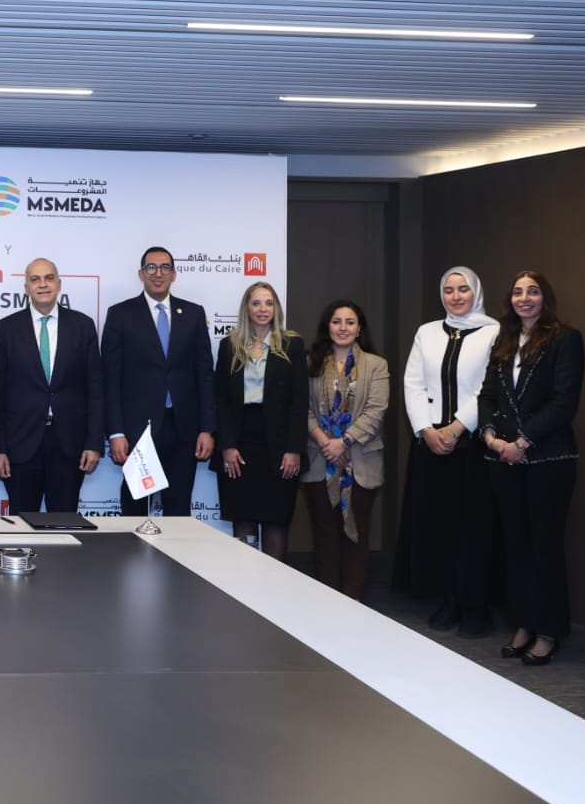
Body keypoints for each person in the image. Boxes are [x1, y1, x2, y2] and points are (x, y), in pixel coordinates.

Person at [480, 271, 584, 667]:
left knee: (544, 547)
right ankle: (523, 623)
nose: (524, 298)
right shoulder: (504, 341)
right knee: (516, 547)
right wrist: (492, 439)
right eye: (518, 292)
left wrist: (522, 443)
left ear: (545, 298)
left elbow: (563, 402)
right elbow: (487, 396)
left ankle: (548, 631)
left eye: (533, 292)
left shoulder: (565, 340)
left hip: (547, 460)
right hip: (503, 459)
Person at [394, 266, 501, 637]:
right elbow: (412, 383)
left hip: (473, 443)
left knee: (474, 526)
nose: (456, 297)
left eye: (463, 289)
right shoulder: (426, 332)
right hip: (430, 442)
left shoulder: (493, 332)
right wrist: (426, 430)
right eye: (449, 290)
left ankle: (477, 605)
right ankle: (449, 598)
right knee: (437, 524)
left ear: (476, 292)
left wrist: (456, 429)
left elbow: (488, 387)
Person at [102, 246, 215, 517]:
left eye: (165, 267)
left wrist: (207, 429)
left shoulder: (193, 314)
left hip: (183, 429)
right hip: (137, 431)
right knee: (135, 509)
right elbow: (110, 379)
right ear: (141, 274)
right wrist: (116, 432)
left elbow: (204, 375)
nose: (158, 273)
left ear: (174, 274)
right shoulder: (120, 314)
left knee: (179, 510)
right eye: (151, 267)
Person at [0, 258, 103, 513]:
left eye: (49, 278)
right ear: (26, 288)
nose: (43, 284)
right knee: (22, 523)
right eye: (35, 279)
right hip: (20, 445)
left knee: (64, 523)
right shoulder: (5, 330)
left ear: (59, 284)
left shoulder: (82, 326)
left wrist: (94, 442)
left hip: (70, 445)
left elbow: (95, 388)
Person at [211, 282, 307, 561]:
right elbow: (221, 401)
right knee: (243, 521)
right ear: (247, 309)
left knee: (276, 522)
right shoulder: (229, 346)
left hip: (278, 445)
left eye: (268, 303)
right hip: (239, 445)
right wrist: (227, 445)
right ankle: (244, 585)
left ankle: (273, 586)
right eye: (256, 303)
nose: (263, 309)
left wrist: (294, 449)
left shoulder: (292, 345)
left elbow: (299, 402)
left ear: (276, 308)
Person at [302, 300, 390, 599]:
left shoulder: (376, 365)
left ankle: (352, 601)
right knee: (325, 534)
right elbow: (302, 408)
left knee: (356, 533)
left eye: (350, 322)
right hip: (320, 458)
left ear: (359, 328)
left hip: (361, 461)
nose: (343, 328)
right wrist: (325, 442)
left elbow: (376, 411)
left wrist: (344, 441)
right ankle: (328, 601)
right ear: (327, 326)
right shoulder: (310, 363)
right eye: (336, 321)